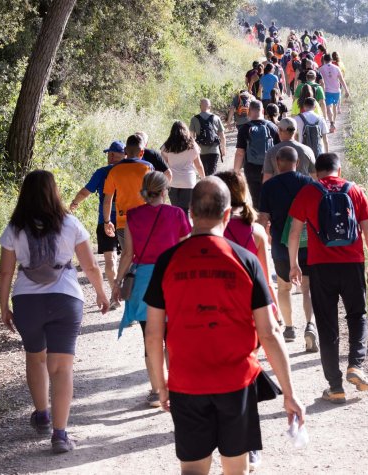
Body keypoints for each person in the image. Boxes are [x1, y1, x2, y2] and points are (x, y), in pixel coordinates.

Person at [143, 177, 304, 475]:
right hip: (236, 383)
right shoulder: (245, 261)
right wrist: (289, 393)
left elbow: (153, 335)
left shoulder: (167, 261)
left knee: (192, 470)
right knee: (236, 469)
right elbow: (269, 333)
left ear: (191, 213)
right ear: (228, 214)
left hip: (186, 382)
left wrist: (162, 385)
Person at [0, 170, 110, 454]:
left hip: (27, 302)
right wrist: (100, 292)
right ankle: (60, 435)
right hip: (65, 299)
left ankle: (42, 415)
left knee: (35, 358)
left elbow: (5, 272)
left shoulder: (15, 228)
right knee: (61, 368)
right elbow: (90, 266)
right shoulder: (70, 223)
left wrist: (3, 306)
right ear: (54, 191)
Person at [287, 153, 368, 404]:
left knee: (327, 325)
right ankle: (356, 365)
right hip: (352, 264)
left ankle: (336, 387)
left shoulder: (309, 192)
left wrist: (294, 265)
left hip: (320, 267)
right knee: (357, 315)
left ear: (316, 173)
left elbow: (294, 232)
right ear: (339, 170)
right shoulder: (354, 191)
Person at [112, 172, 191, 407]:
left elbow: (128, 254)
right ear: (165, 191)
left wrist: (117, 282)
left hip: (144, 282)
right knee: (171, 337)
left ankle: (157, 391)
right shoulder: (176, 214)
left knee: (150, 337)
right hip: (172, 279)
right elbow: (185, 249)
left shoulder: (133, 215)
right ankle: (174, 387)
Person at [259, 147, 317, 350]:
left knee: (284, 287)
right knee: (307, 287)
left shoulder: (269, 186)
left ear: (277, 162)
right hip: (306, 243)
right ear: (298, 162)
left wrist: (262, 236)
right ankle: (310, 325)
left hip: (281, 245)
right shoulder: (308, 183)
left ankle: (290, 328)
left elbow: (263, 218)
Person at [215, 170, 282, 325]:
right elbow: (266, 281)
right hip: (250, 306)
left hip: (220, 306)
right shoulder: (256, 231)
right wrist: (277, 317)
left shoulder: (211, 230)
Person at [69, 141, 125, 309]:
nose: (108, 156)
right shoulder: (131, 171)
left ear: (113, 155)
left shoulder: (102, 172)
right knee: (129, 258)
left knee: (110, 260)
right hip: (128, 222)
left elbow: (85, 192)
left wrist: (74, 203)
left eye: (109, 153)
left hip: (106, 222)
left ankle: (115, 296)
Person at [103, 135, 154, 250]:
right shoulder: (148, 168)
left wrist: (107, 221)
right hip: (145, 220)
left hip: (123, 222)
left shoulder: (114, 170)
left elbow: (107, 200)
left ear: (125, 151)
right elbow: (155, 195)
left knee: (127, 255)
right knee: (144, 254)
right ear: (142, 152)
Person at [234, 100, 279, 209]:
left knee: (256, 198)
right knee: (271, 197)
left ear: (249, 112)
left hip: (251, 168)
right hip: (269, 168)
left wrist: (236, 171)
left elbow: (240, 153)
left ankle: (258, 217)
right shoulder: (272, 127)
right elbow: (279, 150)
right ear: (262, 111)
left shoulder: (244, 129)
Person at [161, 121, 205, 216]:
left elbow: (163, 166)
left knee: (176, 210)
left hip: (172, 181)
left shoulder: (166, 146)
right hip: (188, 181)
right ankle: (185, 225)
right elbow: (199, 165)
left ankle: (178, 225)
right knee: (185, 211)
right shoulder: (192, 145)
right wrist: (203, 179)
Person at [262, 118, 316, 182]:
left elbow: (267, 178)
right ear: (296, 131)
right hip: (302, 187)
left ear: (279, 130)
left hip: (279, 187)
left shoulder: (271, 152)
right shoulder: (307, 150)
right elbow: (315, 176)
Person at [189, 98, 227, 176]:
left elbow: (191, 137)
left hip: (201, 150)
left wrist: (192, 151)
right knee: (212, 173)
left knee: (204, 173)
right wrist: (223, 149)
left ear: (200, 106)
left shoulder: (194, 119)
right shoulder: (216, 118)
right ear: (210, 106)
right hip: (214, 150)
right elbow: (222, 136)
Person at [318, 53, 350, 127]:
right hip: (336, 91)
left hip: (326, 91)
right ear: (331, 59)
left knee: (328, 107)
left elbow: (319, 81)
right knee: (335, 106)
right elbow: (342, 80)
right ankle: (334, 122)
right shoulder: (337, 68)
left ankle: (331, 122)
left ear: (324, 60)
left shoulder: (321, 69)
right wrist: (346, 90)